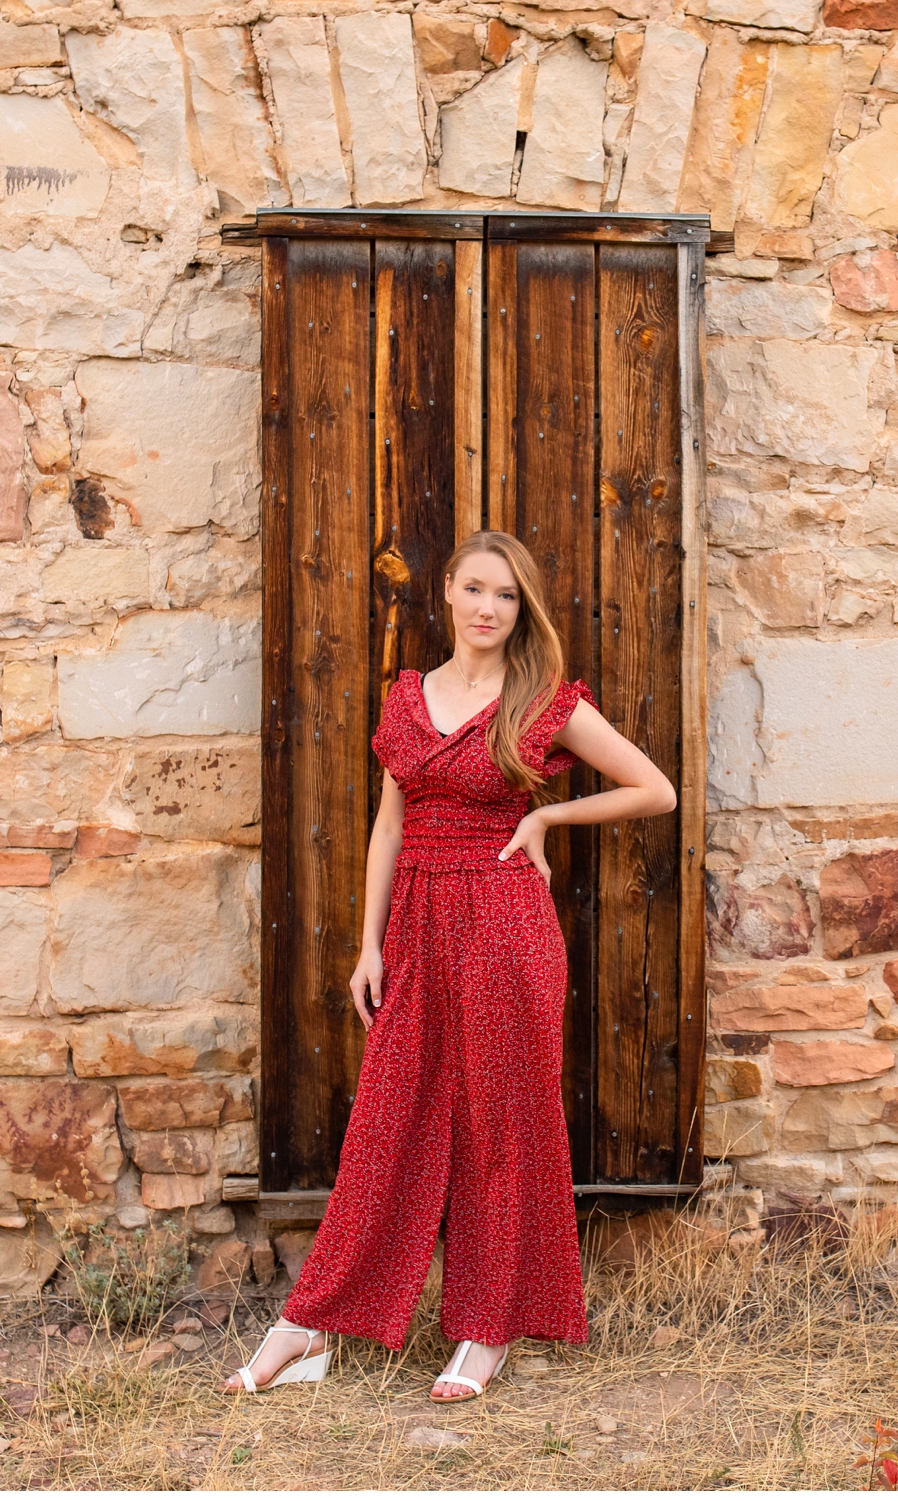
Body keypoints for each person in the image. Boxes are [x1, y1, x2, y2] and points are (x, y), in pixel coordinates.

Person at [223, 530, 679, 1402]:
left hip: (506, 923)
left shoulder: (543, 701)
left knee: (503, 1125)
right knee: (388, 1120)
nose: (486, 608)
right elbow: (388, 825)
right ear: (446, 594)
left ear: (522, 609)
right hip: (419, 927)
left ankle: (485, 1327)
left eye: (505, 596)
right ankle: (309, 1322)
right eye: (474, 589)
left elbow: (652, 788)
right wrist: (368, 944)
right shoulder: (409, 696)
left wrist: (547, 821)